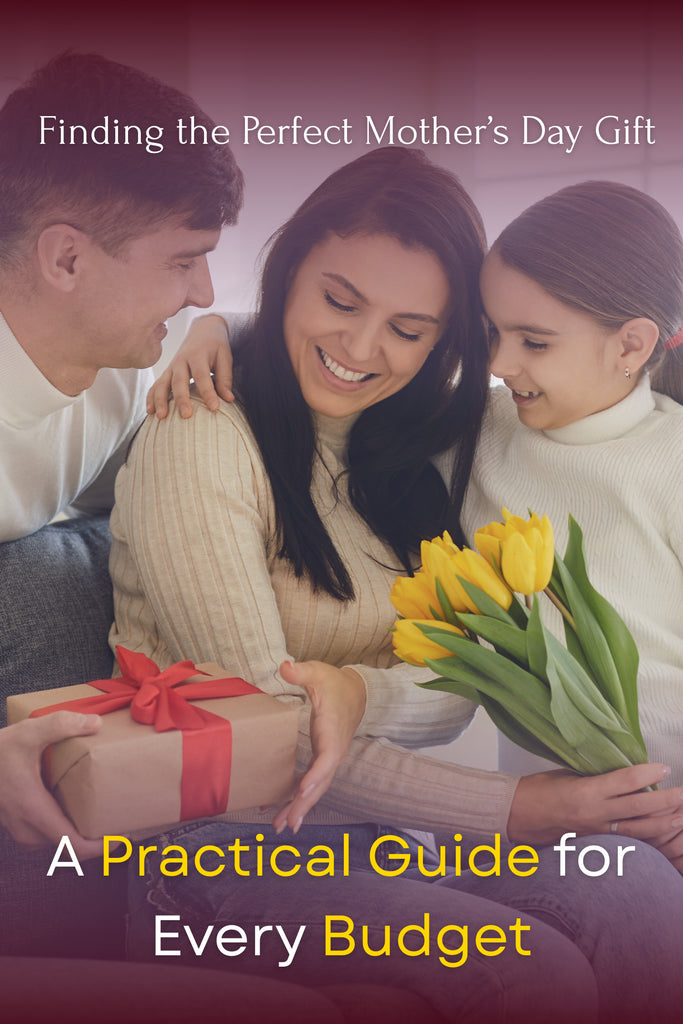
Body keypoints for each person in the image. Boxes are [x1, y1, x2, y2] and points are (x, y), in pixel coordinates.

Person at [111, 148, 683, 1024]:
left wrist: (354, 691)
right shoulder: (202, 434)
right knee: (530, 973)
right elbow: (263, 733)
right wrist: (516, 807)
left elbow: (451, 681)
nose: (359, 348)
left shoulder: (420, 448)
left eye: (409, 329)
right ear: (289, 268)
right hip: (211, 849)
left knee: (637, 894)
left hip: (379, 840)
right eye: (338, 301)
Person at [0, 50, 243, 858]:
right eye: (182, 261)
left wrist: (219, 332)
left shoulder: (124, 369)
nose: (202, 291)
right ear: (65, 258)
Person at [460, 179, 683, 868]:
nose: (499, 365)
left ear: (630, 346)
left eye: (533, 341)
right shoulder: (480, 431)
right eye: (494, 333)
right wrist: (217, 330)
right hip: (529, 825)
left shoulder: (671, 461)